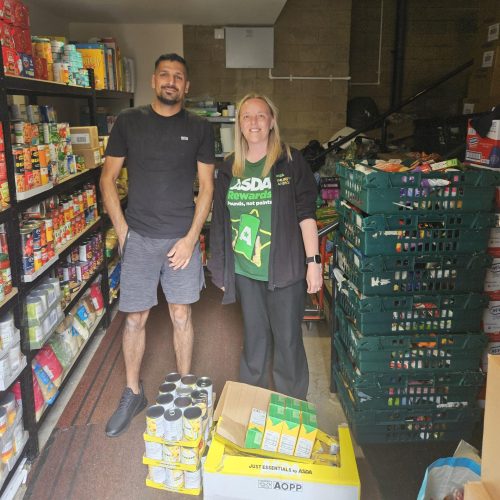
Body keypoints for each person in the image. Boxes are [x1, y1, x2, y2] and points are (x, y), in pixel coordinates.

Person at [100, 53, 215, 437]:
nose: (171, 81)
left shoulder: (199, 128)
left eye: (178, 77)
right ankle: (133, 392)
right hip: (140, 237)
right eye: (165, 74)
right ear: (153, 80)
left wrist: (190, 238)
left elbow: (207, 188)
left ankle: (185, 387)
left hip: (181, 239)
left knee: (182, 314)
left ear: (187, 86)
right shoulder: (129, 122)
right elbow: (108, 179)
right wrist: (124, 231)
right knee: (135, 317)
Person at [208, 93, 322, 400]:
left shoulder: (290, 161)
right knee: (255, 342)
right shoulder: (230, 167)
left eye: (261, 115)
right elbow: (220, 219)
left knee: (287, 342)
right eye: (247, 116)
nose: (254, 122)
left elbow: (306, 214)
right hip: (246, 272)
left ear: (271, 121)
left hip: (284, 271)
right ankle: (251, 407)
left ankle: (293, 409)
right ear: (239, 124)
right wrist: (218, 268)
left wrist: (314, 262)